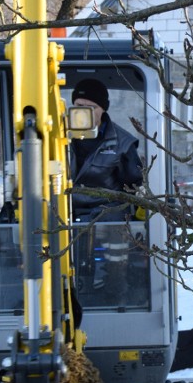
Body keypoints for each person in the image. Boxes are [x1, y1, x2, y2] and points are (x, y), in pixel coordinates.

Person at [69, 78, 143, 289]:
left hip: (106, 210)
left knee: (115, 224)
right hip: (66, 207)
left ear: (103, 109)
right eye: (79, 106)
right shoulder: (58, 137)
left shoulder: (122, 143)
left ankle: (114, 282)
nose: (84, 112)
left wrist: (142, 212)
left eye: (91, 107)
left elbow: (134, 183)